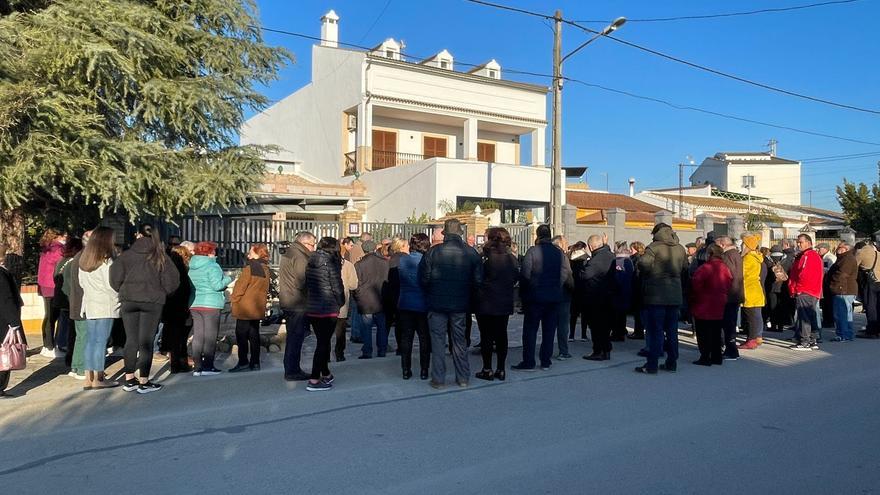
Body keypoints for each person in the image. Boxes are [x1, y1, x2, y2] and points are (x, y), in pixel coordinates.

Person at [109, 224, 179, 393]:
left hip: (129, 300)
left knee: (131, 340)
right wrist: (162, 293)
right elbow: (173, 280)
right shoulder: (160, 256)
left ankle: (129, 379)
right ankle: (144, 381)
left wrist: (124, 290)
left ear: (137, 235)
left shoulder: (125, 256)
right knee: (146, 341)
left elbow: (114, 278)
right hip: (152, 301)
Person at [419, 218, 482, 388]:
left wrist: (431, 291)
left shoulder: (433, 252)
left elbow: (423, 279)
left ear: (445, 234)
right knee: (459, 340)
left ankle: (439, 379)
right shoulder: (471, 252)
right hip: (461, 304)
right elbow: (478, 281)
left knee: (438, 341)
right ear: (460, 233)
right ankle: (462, 377)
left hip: (436, 302)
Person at [513, 224, 572, 371]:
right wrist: (556, 286)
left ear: (537, 236)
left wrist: (525, 294)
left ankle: (529, 361)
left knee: (530, 330)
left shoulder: (532, 251)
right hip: (553, 297)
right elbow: (565, 273)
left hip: (535, 298)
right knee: (549, 330)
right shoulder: (559, 253)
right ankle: (545, 361)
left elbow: (525, 275)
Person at [635, 223, 687, 374]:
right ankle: (672, 362)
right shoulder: (680, 248)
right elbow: (685, 268)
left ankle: (652, 364)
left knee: (655, 330)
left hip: (656, 295)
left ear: (656, 232)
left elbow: (643, 264)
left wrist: (649, 273)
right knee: (672, 331)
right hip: (675, 294)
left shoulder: (653, 247)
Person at [77, 227, 121, 390]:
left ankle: (88, 377)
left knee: (90, 341)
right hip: (105, 304)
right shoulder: (106, 260)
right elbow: (111, 285)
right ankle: (99, 377)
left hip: (89, 303)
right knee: (100, 342)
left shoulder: (84, 259)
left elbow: (81, 283)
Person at [474, 227, 519, 381]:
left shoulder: (484, 257)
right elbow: (515, 278)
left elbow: (477, 279)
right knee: (501, 335)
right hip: (504, 301)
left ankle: (487, 369)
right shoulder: (511, 258)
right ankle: (501, 369)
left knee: (486, 336)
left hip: (486, 301)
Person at [304, 237, 345, 391]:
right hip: (328, 307)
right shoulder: (331, 262)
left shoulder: (311, 261)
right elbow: (337, 286)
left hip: (313, 307)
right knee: (323, 344)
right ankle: (314, 379)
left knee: (323, 341)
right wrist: (340, 302)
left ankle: (326, 373)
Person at [188, 242, 232, 376]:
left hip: (195, 303)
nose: (215, 253)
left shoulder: (192, 266)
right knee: (210, 337)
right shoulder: (212, 265)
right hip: (211, 304)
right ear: (210, 252)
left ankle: (197, 367)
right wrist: (228, 278)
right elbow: (217, 285)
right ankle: (208, 366)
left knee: (198, 336)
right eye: (214, 251)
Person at [229, 244, 272, 372]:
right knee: (254, 335)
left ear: (258, 254)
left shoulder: (250, 268)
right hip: (257, 306)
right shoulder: (265, 268)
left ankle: (243, 362)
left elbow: (239, 288)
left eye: (251, 253)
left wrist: (234, 300)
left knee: (241, 335)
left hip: (245, 308)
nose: (248, 255)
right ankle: (255, 362)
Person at [279, 232, 315, 381]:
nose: (314, 248)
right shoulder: (300, 256)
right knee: (296, 338)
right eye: (313, 244)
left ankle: (291, 368)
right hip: (297, 302)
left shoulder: (290, 252)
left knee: (293, 337)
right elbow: (302, 281)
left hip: (289, 300)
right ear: (305, 243)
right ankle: (293, 371)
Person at [690, 244, 732, 366]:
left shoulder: (706, 268)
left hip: (704, 303)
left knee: (703, 333)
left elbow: (695, 284)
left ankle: (705, 357)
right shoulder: (725, 267)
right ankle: (716, 357)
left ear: (710, 254)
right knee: (716, 332)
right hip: (719, 303)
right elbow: (729, 283)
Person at [397, 233, 431, 380]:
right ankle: (424, 370)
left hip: (405, 303)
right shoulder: (426, 261)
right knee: (424, 339)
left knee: (406, 339)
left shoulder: (403, 261)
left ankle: (406, 370)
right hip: (423, 304)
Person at [580, 234, 615, 361]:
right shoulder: (610, 255)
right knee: (605, 326)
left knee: (596, 326)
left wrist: (583, 264)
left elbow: (585, 276)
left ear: (590, 246)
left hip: (596, 297)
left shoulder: (595, 260)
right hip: (609, 297)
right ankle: (606, 350)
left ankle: (598, 351)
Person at [62, 230, 91, 380]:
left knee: (80, 336)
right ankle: (80, 368)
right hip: (82, 304)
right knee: (83, 336)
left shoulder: (76, 259)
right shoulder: (84, 259)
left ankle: (76, 365)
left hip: (76, 302)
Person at [353, 240, 389, 359]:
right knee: (382, 327)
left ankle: (367, 351)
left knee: (366, 327)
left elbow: (356, 284)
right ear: (374, 249)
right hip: (381, 298)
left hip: (365, 299)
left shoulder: (359, 264)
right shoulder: (384, 262)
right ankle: (382, 350)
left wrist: (357, 296)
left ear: (363, 250)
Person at [788, 234, 824, 350]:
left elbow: (804, 274)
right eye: (798, 242)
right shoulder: (810, 255)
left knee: (804, 317)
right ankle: (812, 340)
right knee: (811, 315)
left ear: (808, 243)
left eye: (801, 242)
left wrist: (798, 288)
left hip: (806, 290)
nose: (799, 244)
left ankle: (805, 341)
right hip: (811, 290)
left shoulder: (809, 255)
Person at [162, 245, 193, 373]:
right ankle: (181, 362)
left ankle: (174, 364)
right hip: (181, 308)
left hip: (168, 308)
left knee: (173, 337)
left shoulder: (166, 270)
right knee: (181, 338)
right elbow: (186, 289)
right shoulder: (184, 270)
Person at [37, 228, 67, 358]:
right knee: (54, 316)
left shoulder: (46, 248)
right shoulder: (58, 249)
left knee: (48, 316)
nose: (66, 238)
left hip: (44, 285)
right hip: (54, 286)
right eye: (64, 235)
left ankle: (47, 345)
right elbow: (62, 267)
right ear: (57, 236)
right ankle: (51, 346)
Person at [54, 238, 83, 370]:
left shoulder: (62, 261)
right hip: (71, 300)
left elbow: (55, 277)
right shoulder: (74, 262)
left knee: (65, 325)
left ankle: (62, 346)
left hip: (61, 299)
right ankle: (71, 357)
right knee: (74, 332)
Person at [0, 244, 24, 398]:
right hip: (3, 320)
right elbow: (6, 300)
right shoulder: (1, 275)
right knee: (4, 353)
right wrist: (14, 322)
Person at [717, 236, 744, 360]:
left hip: (729, 295)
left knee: (728, 324)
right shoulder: (736, 254)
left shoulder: (727, 256)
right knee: (730, 323)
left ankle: (731, 350)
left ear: (722, 245)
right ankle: (730, 349)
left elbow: (727, 275)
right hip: (736, 293)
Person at [739, 234, 767, 350]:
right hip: (756, 289)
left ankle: (751, 340)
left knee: (750, 317)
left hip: (749, 289)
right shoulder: (757, 256)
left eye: (743, 243)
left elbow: (743, 273)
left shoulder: (748, 258)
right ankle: (757, 337)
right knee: (756, 316)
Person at [827, 242, 857, 342]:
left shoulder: (847, 259)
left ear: (846, 249)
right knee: (845, 313)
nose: (837, 249)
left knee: (841, 313)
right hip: (844, 289)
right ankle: (847, 334)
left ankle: (843, 334)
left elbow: (842, 274)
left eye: (840, 247)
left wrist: (833, 283)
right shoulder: (843, 258)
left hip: (843, 289)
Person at [333, 247, 359, 362]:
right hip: (342, 302)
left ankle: (324, 354)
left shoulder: (321, 264)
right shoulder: (348, 265)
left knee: (325, 332)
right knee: (340, 331)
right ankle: (339, 353)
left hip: (325, 303)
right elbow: (354, 285)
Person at [551, 235, 572, 360]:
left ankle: (547, 351)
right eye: (565, 243)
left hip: (549, 294)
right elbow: (567, 276)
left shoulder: (548, 255)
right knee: (563, 325)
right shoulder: (562, 257)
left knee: (550, 324)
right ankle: (563, 351)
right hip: (562, 295)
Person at [385, 237, 407, 354]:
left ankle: (383, 345)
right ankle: (401, 347)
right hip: (401, 294)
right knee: (400, 323)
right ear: (401, 246)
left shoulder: (389, 260)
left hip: (389, 294)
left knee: (387, 322)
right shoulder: (406, 259)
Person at [611, 241, 635, 342]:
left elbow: (618, 277)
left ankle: (617, 334)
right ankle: (621, 331)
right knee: (622, 314)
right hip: (627, 290)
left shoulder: (619, 260)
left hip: (619, 292)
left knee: (617, 315)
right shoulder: (629, 260)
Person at [855, 242, 880, 338]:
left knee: (870, 306)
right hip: (879, 281)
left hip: (870, 282)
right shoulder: (878, 253)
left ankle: (872, 331)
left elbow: (854, 265)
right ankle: (878, 329)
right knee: (878, 306)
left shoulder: (861, 252)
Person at [766, 245, 794, 332]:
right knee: (782, 306)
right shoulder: (788, 260)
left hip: (772, 287)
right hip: (784, 287)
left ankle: (774, 325)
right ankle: (781, 326)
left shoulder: (767, 260)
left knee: (773, 307)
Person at [568, 242, 588, 341]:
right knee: (584, 314)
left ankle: (571, 335)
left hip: (573, 289)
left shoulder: (570, 257)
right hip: (583, 289)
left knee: (573, 314)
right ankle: (583, 335)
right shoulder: (585, 258)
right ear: (583, 248)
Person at [629, 241, 647, 339]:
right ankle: (637, 331)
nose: (630, 251)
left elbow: (636, 274)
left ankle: (638, 332)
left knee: (638, 312)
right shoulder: (638, 258)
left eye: (632, 249)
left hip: (638, 289)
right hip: (639, 288)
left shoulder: (637, 259)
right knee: (638, 312)